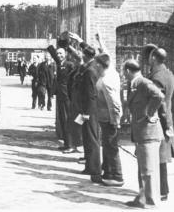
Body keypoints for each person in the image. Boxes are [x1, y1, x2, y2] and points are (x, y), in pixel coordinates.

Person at [123, 59, 165, 208]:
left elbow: (159, 96)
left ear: (127, 71)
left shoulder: (144, 83)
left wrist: (150, 112)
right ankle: (142, 197)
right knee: (143, 168)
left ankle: (150, 201)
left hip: (149, 133)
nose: (124, 75)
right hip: (141, 133)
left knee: (148, 169)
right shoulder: (134, 84)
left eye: (124, 72)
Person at [68, 32, 101, 183]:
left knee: (91, 138)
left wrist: (86, 113)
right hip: (86, 110)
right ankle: (89, 165)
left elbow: (91, 94)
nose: (80, 55)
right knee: (86, 137)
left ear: (87, 56)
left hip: (89, 111)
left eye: (82, 54)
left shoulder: (90, 70)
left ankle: (94, 168)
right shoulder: (90, 66)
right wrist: (80, 41)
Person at [144, 44, 174, 201]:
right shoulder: (168, 73)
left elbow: (159, 102)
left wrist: (165, 123)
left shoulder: (157, 77)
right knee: (161, 158)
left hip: (158, 122)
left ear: (154, 58)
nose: (148, 59)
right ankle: (162, 190)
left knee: (157, 158)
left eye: (150, 56)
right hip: (166, 119)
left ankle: (160, 190)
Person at [94, 53, 124, 186]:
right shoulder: (110, 72)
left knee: (111, 147)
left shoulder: (106, 81)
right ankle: (107, 173)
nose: (94, 65)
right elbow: (107, 57)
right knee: (106, 145)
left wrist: (116, 121)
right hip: (104, 118)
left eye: (96, 63)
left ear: (99, 65)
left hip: (110, 119)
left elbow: (115, 103)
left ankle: (117, 176)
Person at [47, 45, 75, 152]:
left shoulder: (69, 65)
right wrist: (50, 47)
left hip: (67, 96)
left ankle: (71, 145)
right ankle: (66, 143)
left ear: (65, 55)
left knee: (68, 120)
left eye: (61, 54)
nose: (59, 55)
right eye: (58, 54)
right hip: (60, 96)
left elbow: (72, 80)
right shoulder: (60, 64)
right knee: (63, 120)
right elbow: (54, 54)